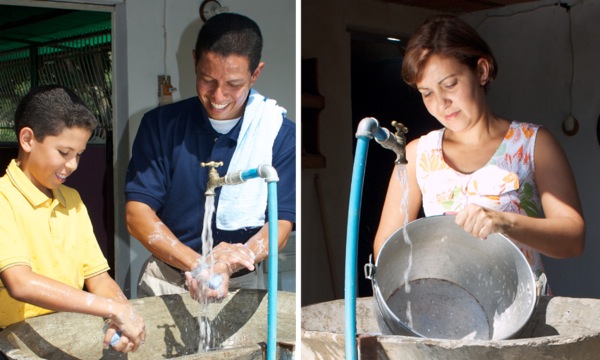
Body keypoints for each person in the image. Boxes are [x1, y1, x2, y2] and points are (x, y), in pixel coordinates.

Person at [373, 15, 585, 283]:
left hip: (524, 313)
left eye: (449, 84)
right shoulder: (417, 155)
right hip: (447, 313)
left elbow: (573, 239)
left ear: (482, 71)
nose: (441, 103)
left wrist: (505, 222)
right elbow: (386, 247)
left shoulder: (533, 144)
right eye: (427, 93)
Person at [125, 12, 295, 300]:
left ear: (256, 73)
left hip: (243, 279)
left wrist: (226, 265)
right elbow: (137, 215)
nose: (218, 95)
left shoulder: (278, 133)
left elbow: (279, 224)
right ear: (194, 61)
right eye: (207, 79)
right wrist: (199, 265)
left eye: (234, 84)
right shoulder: (161, 126)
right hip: (167, 277)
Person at [0, 85, 146, 352]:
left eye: (79, 155)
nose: (73, 165)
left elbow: (98, 278)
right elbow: (20, 282)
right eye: (64, 153)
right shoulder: (3, 199)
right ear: (28, 139)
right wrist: (109, 307)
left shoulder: (72, 200)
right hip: (11, 344)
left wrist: (123, 313)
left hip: (66, 337)